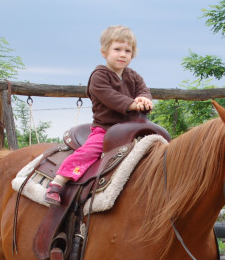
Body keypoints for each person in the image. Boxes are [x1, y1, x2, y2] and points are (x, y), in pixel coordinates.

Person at [45, 25, 153, 205]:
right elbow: (109, 96)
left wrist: (144, 99)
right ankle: (58, 182)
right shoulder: (99, 76)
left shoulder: (133, 76)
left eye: (128, 50)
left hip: (132, 131)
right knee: (89, 152)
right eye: (117, 49)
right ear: (104, 51)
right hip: (106, 130)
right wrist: (132, 104)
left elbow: (144, 90)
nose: (123, 54)